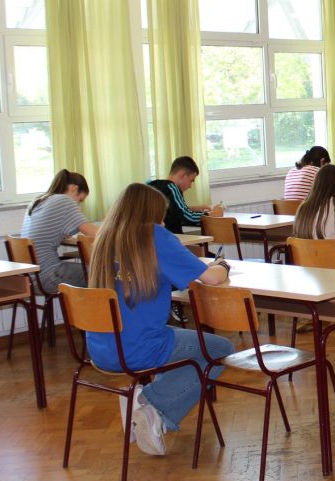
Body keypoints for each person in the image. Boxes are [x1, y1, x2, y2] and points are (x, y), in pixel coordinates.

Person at [86, 183, 233, 456]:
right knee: (220, 350)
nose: (163, 222)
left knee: (183, 346)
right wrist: (222, 265)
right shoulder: (155, 237)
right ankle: (151, 405)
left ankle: (143, 402)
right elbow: (211, 279)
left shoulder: (105, 237)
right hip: (141, 347)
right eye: (160, 216)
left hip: (102, 348)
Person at [20, 169, 98, 292]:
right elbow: (95, 234)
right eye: (80, 199)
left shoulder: (38, 200)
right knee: (105, 273)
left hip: (29, 277)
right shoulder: (64, 200)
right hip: (49, 276)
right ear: (73, 188)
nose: (78, 204)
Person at [148, 156, 223, 234]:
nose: (190, 186)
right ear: (182, 175)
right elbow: (186, 217)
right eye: (191, 180)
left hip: (151, 238)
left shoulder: (152, 186)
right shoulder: (172, 187)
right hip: (170, 237)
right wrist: (211, 214)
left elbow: (173, 211)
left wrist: (198, 208)